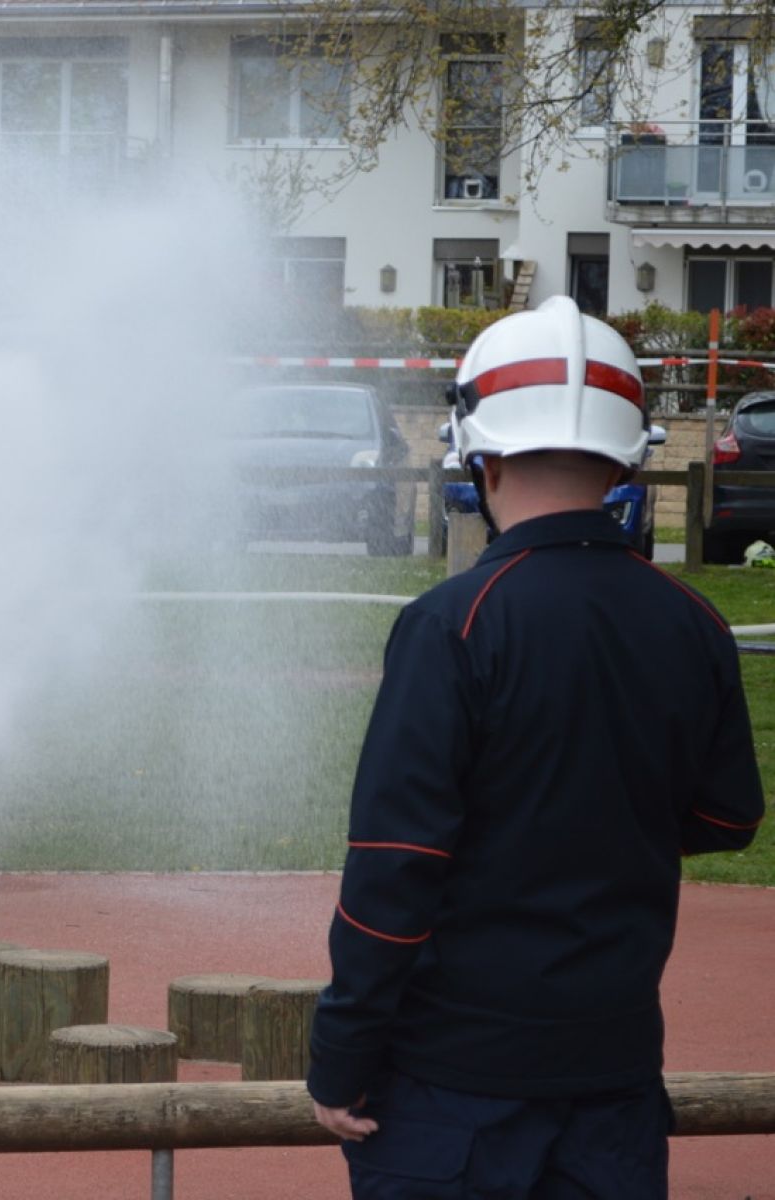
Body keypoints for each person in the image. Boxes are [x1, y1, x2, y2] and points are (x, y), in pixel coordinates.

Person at [307, 296, 764, 1196]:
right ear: (627, 455)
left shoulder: (451, 622)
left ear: (476, 452)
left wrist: (340, 1054)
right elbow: (726, 818)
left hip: (452, 1088)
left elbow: (394, 866)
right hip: (614, 1079)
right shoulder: (693, 621)